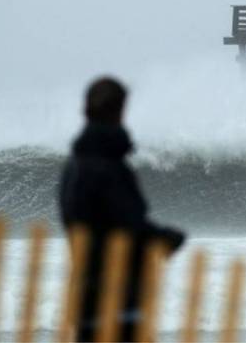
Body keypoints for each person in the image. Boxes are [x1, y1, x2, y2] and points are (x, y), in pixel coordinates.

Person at [59, 76, 185, 341]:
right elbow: (128, 227)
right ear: (119, 111)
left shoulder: (73, 166)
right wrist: (166, 238)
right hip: (116, 300)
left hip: (86, 297)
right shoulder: (106, 167)